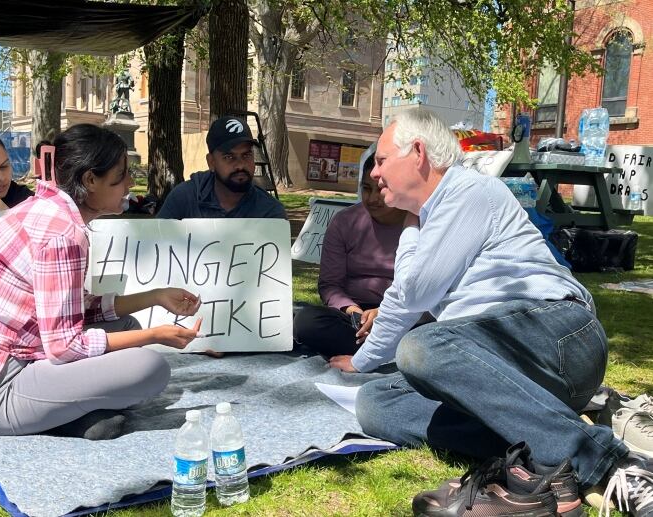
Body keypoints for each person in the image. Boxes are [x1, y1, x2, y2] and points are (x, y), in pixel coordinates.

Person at [328, 109, 653, 515]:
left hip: (557, 334)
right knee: (375, 402)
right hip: (504, 366)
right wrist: (363, 365)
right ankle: (544, 440)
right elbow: (406, 295)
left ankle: (611, 464)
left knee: (420, 348)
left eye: (380, 160)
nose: (374, 174)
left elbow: (411, 295)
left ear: (417, 152)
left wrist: (363, 361)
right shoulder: (426, 220)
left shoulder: (469, 191)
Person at [0, 124, 203, 441]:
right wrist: (156, 334)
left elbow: (77, 307)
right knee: (151, 367)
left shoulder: (46, 211)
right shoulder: (62, 234)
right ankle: (68, 416)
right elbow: (65, 347)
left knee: (127, 327)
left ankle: (69, 414)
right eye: (121, 176)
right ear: (90, 180)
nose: (130, 183)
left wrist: (155, 296)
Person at [293, 151, 406, 357]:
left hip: (401, 315)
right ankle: (386, 353)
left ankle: (378, 352)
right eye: (365, 188)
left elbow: (425, 294)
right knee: (306, 321)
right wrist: (353, 311)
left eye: (380, 189)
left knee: (427, 335)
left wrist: (386, 313)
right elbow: (330, 285)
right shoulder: (344, 222)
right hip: (354, 316)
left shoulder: (419, 224)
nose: (372, 198)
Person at [157, 115, 287, 219]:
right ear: (211, 162)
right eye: (229, 157)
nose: (240, 165)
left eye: (246, 155)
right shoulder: (184, 198)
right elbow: (157, 244)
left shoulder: (270, 213)